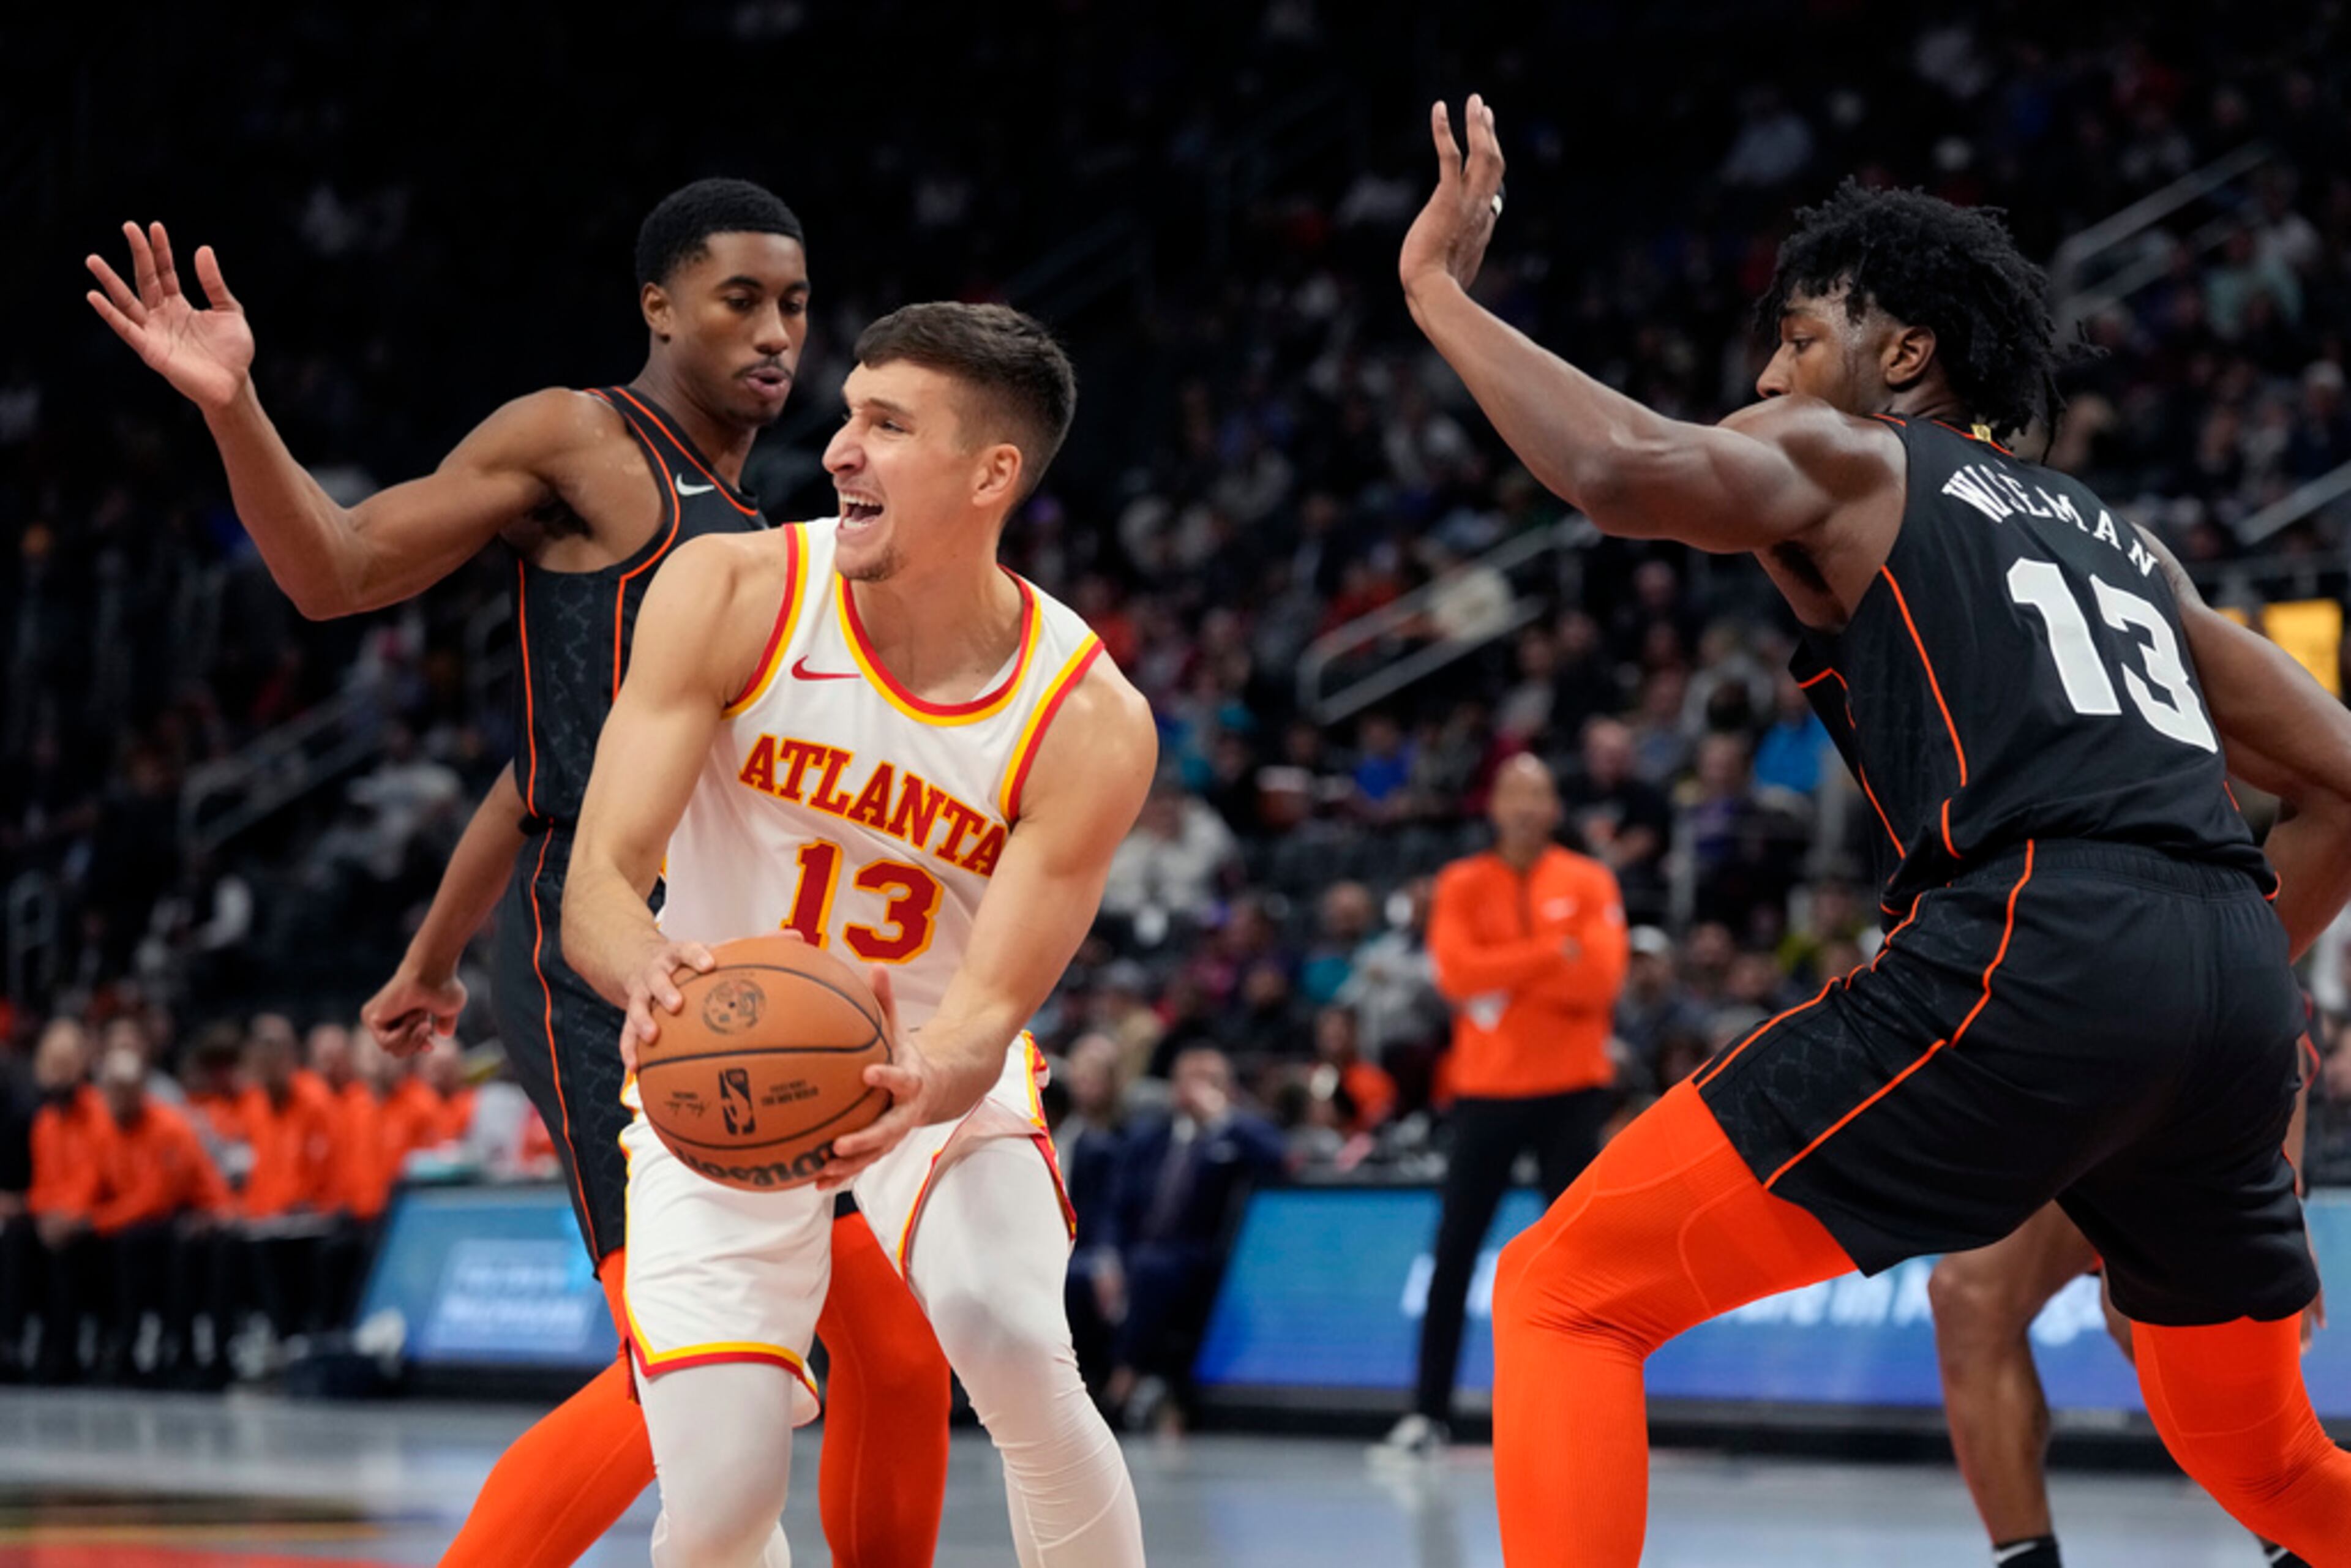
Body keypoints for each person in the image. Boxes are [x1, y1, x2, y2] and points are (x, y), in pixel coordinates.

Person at [1400, 96, 2351, 1564]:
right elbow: (2341, 775)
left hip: (2035, 941)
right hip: (2228, 996)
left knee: (1562, 1291)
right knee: (2271, 1462)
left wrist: (1437, 297)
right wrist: (2201, 956)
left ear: (1899, 356)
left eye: (1795, 335)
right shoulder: (2123, 540)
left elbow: (1614, 470)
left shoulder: (1851, 457)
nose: (1766, 372)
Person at [89, 181, 952, 1568]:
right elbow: (339, 568)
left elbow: (547, 753)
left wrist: (430, 957)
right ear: (658, 305)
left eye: (794, 304)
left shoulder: (759, 526)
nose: (777, 331)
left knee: (898, 1355)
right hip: (605, 954)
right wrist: (232, 405)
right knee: (690, 1363)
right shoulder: (582, 439)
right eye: (740, 298)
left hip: (722, 943)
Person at [563, 301, 1156, 1566]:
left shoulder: (1087, 716)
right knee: (716, 1505)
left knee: (1006, 1327)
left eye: (888, 424)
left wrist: (925, 1077)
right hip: (718, 1063)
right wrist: (649, 966)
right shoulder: (733, 588)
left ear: (992, 471)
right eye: (848, 413)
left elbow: (993, 1009)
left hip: (934, 1070)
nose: (840, 447)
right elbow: (600, 882)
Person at [1376, 753, 1627, 1458]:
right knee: (1453, 1252)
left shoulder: (1589, 876)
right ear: (1494, 806)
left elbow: (1602, 982)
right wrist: (1554, 953)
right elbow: (1455, 973)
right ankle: (1427, 1411)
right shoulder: (1460, 883)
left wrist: (1508, 971)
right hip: (1485, 1091)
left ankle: (1589, 1412)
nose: (1524, 806)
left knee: (1582, 1256)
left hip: (1574, 1089)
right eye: (1512, 792)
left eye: (1537, 793)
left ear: (1553, 807)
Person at [1098, 1046, 1283, 1433]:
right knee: (1081, 1277)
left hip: (1203, 1258)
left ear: (1227, 1090)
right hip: (1138, 1254)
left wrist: (1221, 1119)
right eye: (1189, 1079)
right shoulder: (1149, 1138)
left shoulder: (1237, 1134)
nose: (1196, 1090)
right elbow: (1117, 1208)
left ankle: (1122, 1386)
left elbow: (1279, 1158)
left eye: (1209, 1081)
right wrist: (1107, 1259)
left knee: (1153, 1272)